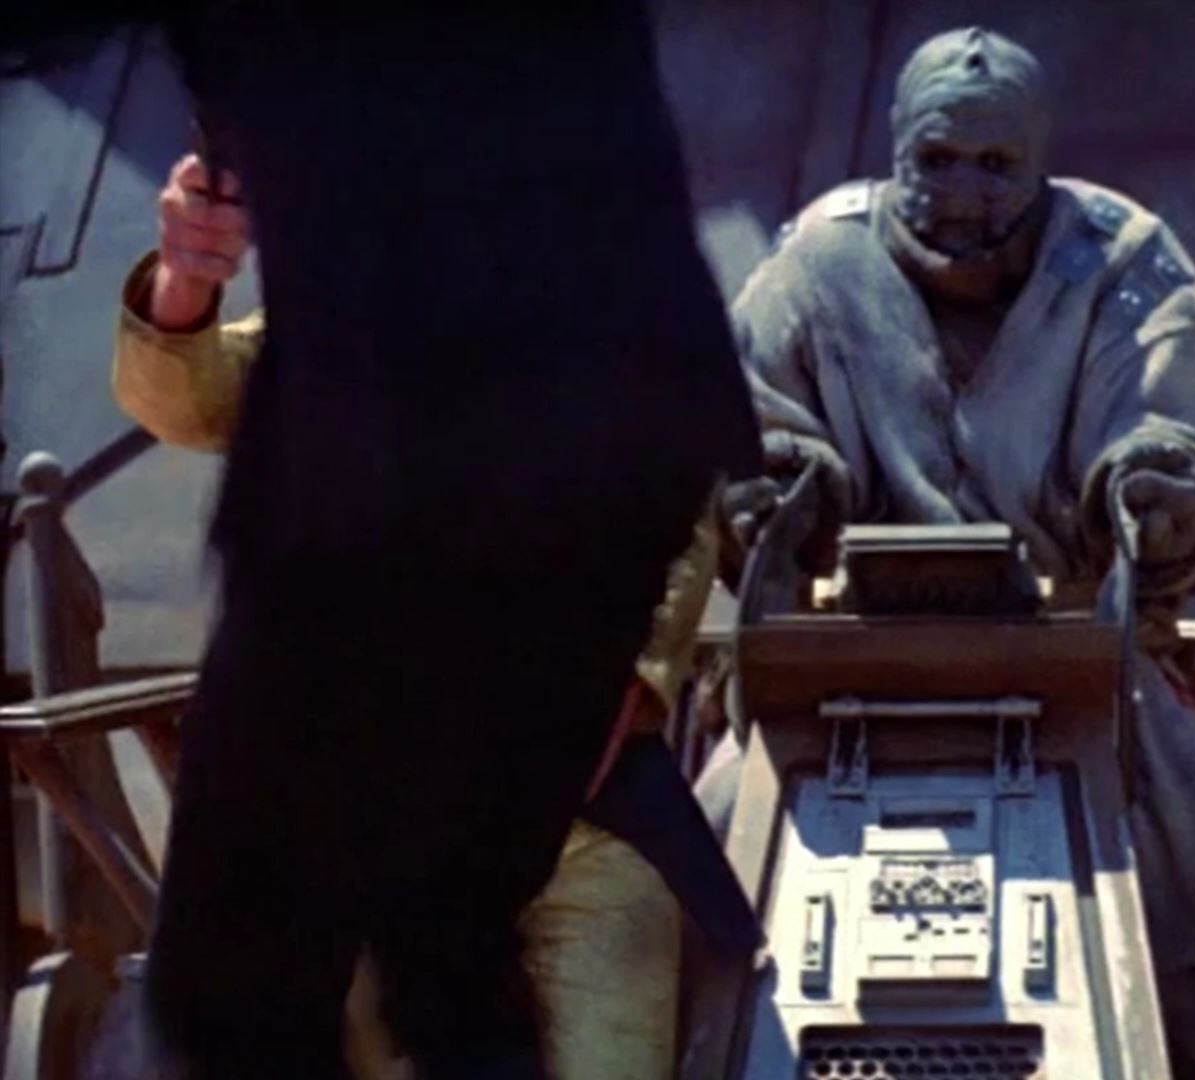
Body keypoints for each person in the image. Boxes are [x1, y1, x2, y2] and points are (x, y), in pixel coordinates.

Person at [144, 7, 761, 1077]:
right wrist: (188, 281)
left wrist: (618, 692)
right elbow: (189, 392)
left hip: (584, 821)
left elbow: (675, 520)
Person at [704, 26, 1195, 1077]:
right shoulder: (816, 262)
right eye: (936, 159)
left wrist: (1161, 485)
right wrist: (779, 487)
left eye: (995, 163)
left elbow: (1180, 425)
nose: (963, 193)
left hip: (1084, 673)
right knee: (708, 862)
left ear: (1039, 160)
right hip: (840, 671)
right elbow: (746, 428)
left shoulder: (1122, 258)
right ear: (895, 149)